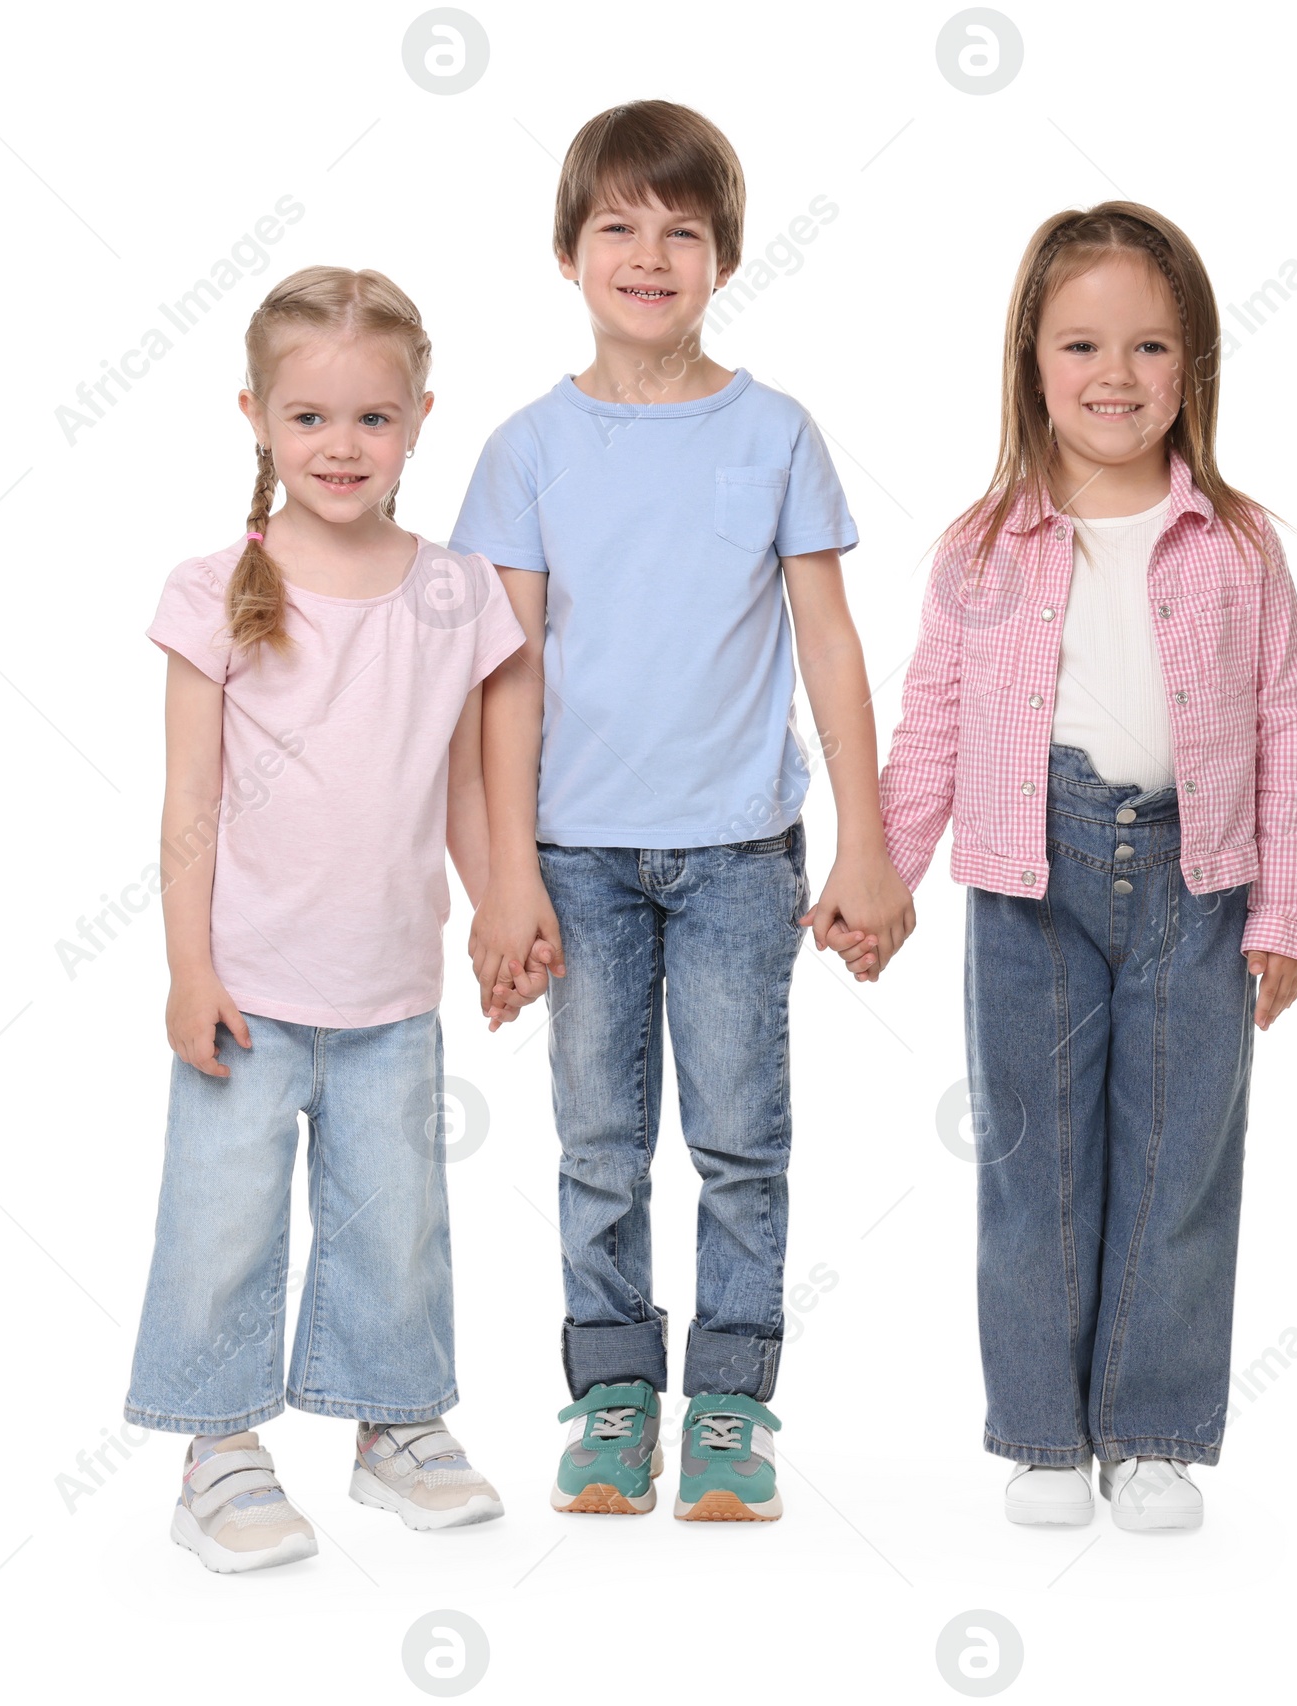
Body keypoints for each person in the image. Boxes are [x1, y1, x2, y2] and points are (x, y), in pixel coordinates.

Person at [450, 99, 914, 1521]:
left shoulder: (774, 430)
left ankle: (729, 1403)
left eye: (682, 232)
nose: (649, 255)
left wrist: (867, 839)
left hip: (735, 856)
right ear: (568, 250)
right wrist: (505, 880)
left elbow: (829, 646)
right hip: (576, 856)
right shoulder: (527, 448)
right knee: (597, 1139)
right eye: (618, 228)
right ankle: (610, 1397)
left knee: (738, 1137)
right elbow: (502, 678)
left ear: (723, 257)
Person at [871, 203, 1297, 1531]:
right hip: (1031, 877)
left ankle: (1152, 1427)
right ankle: (1045, 1436)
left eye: (1148, 347)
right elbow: (935, 728)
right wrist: (883, 874)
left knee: (1180, 1158)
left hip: (1201, 874)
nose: (1114, 377)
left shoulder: (1238, 547)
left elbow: (1286, 727)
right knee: (1037, 1161)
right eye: (1081, 345)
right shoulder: (983, 545)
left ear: (1195, 368)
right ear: (1031, 360)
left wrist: (1287, 906)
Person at [123, 266, 528, 1571]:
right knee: (225, 1220)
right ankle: (219, 1445)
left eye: (371, 419)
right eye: (308, 419)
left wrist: (501, 908)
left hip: (390, 987)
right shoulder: (215, 589)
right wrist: (190, 968)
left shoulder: (455, 590)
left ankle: (395, 1422)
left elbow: (463, 780)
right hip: (247, 986)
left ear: (418, 417)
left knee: (393, 1216)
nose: (340, 447)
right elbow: (190, 802)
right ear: (255, 416)